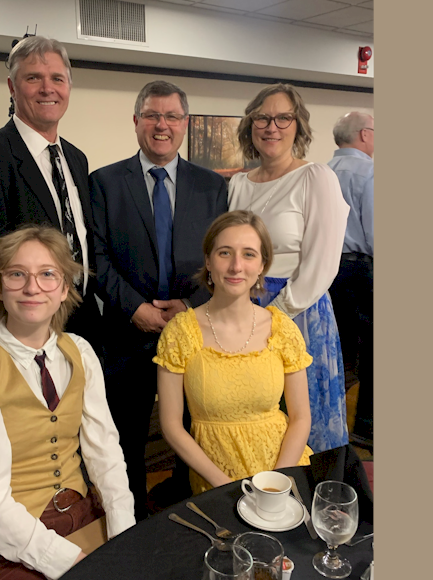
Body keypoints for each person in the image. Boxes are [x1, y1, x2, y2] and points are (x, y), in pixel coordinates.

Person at [0, 226, 135, 580]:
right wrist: (71, 562)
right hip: (8, 534)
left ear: (64, 289)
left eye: (47, 274)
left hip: (80, 510)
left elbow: (105, 454)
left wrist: (124, 534)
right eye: (17, 274)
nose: (32, 288)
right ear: (0, 288)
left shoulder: (81, 352)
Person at [89, 80, 228, 518]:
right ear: (136, 121)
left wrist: (190, 305)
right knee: (126, 433)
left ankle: (189, 504)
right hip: (127, 332)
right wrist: (135, 308)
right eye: (152, 115)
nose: (161, 125)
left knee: (194, 425)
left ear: (185, 123)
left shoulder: (212, 186)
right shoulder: (104, 182)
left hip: (194, 330)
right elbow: (96, 257)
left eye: (171, 116)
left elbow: (221, 255)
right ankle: (129, 516)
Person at [0, 36, 101, 352]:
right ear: (12, 86)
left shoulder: (76, 159)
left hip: (84, 324)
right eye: (33, 78)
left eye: (57, 79)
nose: (47, 89)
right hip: (20, 337)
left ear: (69, 87)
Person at [154, 210, 314, 494]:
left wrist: (276, 483)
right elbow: (171, 425)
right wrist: (225, 487)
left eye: (249, 254)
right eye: (225, 253)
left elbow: (301, 417)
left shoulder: (282, 329)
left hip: (283, 472)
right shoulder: (180, 333)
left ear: (262, 265)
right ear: (208, 261)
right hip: (215, 482)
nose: (236, 266)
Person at [228, 84, 350, 453]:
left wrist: (275, 316)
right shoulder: (238, 184)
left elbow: (322, 263)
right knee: (250, 416)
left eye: (284, 118)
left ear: (298, 126)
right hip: (241, 310)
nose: (272, 127)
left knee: (301, 420)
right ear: (250, 124)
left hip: (298, 313)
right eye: (262, 118)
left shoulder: (316, 178)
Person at [326, 111, 374, 449]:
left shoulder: (320, 172)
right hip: (362, 270)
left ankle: (330, 427)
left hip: (327, 270)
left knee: (335, 351)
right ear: (364, 134)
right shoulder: (370, 173)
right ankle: (366, 426)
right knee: (372, 351)